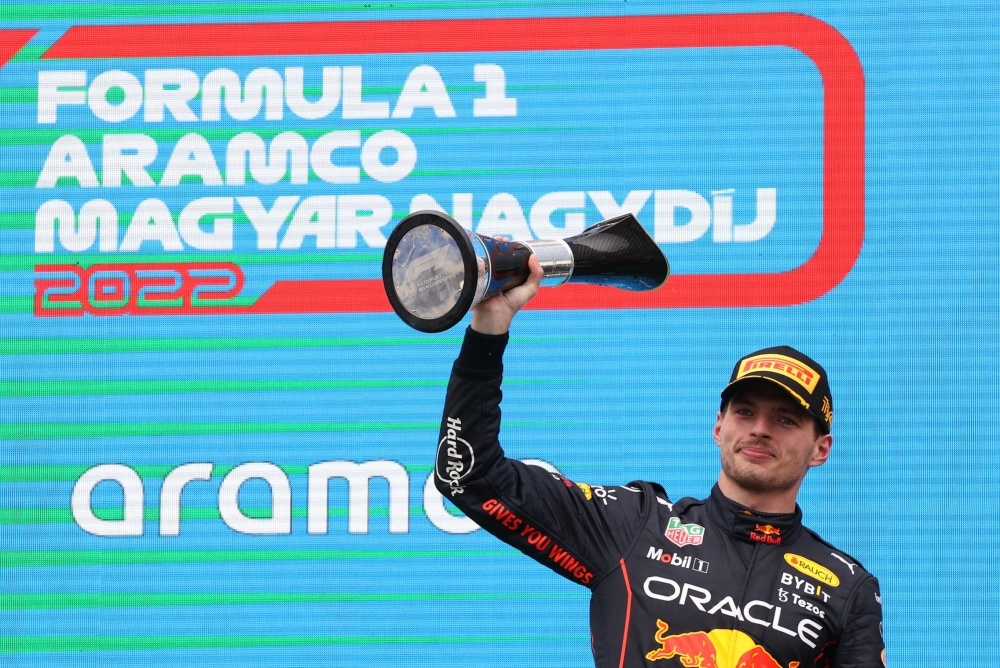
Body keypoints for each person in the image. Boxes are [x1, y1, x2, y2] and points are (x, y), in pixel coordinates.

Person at [434, 255, 885, 668]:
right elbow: (468, 475)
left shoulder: (847, 587)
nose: (760, 428)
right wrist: (488, 331)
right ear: (718, 426)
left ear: (820, 448)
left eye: (785, 419)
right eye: (745, 412)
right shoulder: (638, 522)